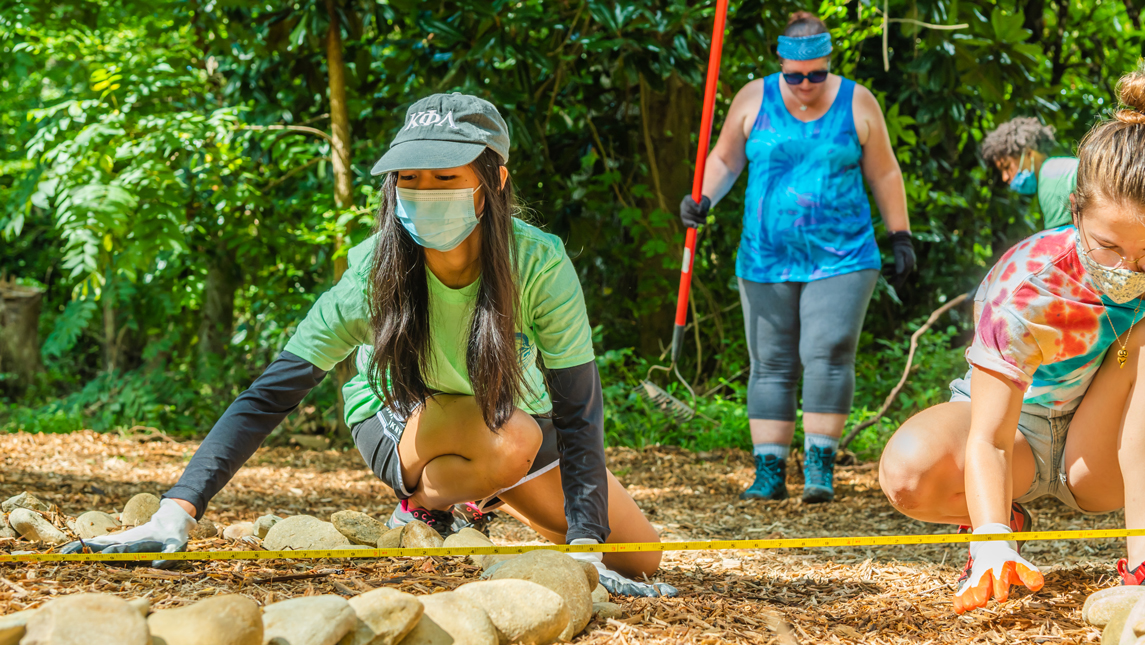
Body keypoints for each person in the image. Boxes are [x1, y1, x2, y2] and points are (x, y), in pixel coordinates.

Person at [61, 93, 675, 598]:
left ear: (493, 180)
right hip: (406, 420)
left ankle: (474, 493)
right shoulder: (374, 273)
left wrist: (588, 550)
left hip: (515, 417)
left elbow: (577, 407)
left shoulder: (539, 264)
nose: (425, 190)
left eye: (447, 176)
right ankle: (427, 503)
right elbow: (270, 394)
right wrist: (176, 511)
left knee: (639, 556)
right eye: (410, 177)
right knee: (509, 436)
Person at [878, 65, 1145, 613]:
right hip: (1016, 431)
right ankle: (1002, 513)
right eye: (1107, 247)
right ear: (1075, 214)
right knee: (907, 472)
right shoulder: (1025, 287)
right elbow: (990, 437)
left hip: (1099, 450)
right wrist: (993, 537)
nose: (1128, 269)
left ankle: (1142, 567)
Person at [679, 12, 914, 504]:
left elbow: (886, 173)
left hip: (843, 256)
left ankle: (820, 468)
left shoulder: (857, 101)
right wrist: (702, 198)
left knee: (827, 353)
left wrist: (901, 236)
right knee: (770, 362)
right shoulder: (753, 98)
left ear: (828, 65)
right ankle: (769, 473)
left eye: (815, 75)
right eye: (795, 76)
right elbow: (724, 158)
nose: (805, 85)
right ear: (781, 66)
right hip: (765, 257)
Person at [981, 116, 1078, 230]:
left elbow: (1063, 242)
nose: (1004, 177)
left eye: (1007, 167)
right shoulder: (1059, 166)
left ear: (1028, 153)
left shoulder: (1050, 177)